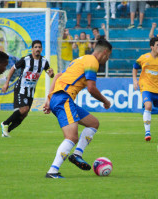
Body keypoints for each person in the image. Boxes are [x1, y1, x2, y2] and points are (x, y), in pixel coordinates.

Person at [43, 39, 112, 178]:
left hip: (61, 98)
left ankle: (77, 155)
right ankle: (52, 171)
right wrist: (105, 101)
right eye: (109, 55)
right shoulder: (93, 62)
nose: (108, 58)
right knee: (71, 137)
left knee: (93, 123)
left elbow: (57, 76)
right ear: (105, 52)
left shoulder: (80, 60)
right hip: (63, 98)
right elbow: (91, 89)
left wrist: (48, 99)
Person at [0, 40, 54, 137]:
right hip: (21, 88)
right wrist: (7, 83)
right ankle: (5, 123)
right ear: (32, 49)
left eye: (39, 47)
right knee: (24, 109)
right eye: (36, 47)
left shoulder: (44, 61)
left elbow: (50, 73)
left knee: (24, 115)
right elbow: (13, 68)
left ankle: (7, 131)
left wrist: (51, 74)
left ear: (41, 49)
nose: (37, 49)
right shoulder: (26, 59)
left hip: (31, 91)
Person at [132, 37, 158, 142]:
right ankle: (147, 132)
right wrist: (134, 80)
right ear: (152, 47)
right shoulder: (144, 57)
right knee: (148, 106)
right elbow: (135, 67)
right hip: (145, 86)